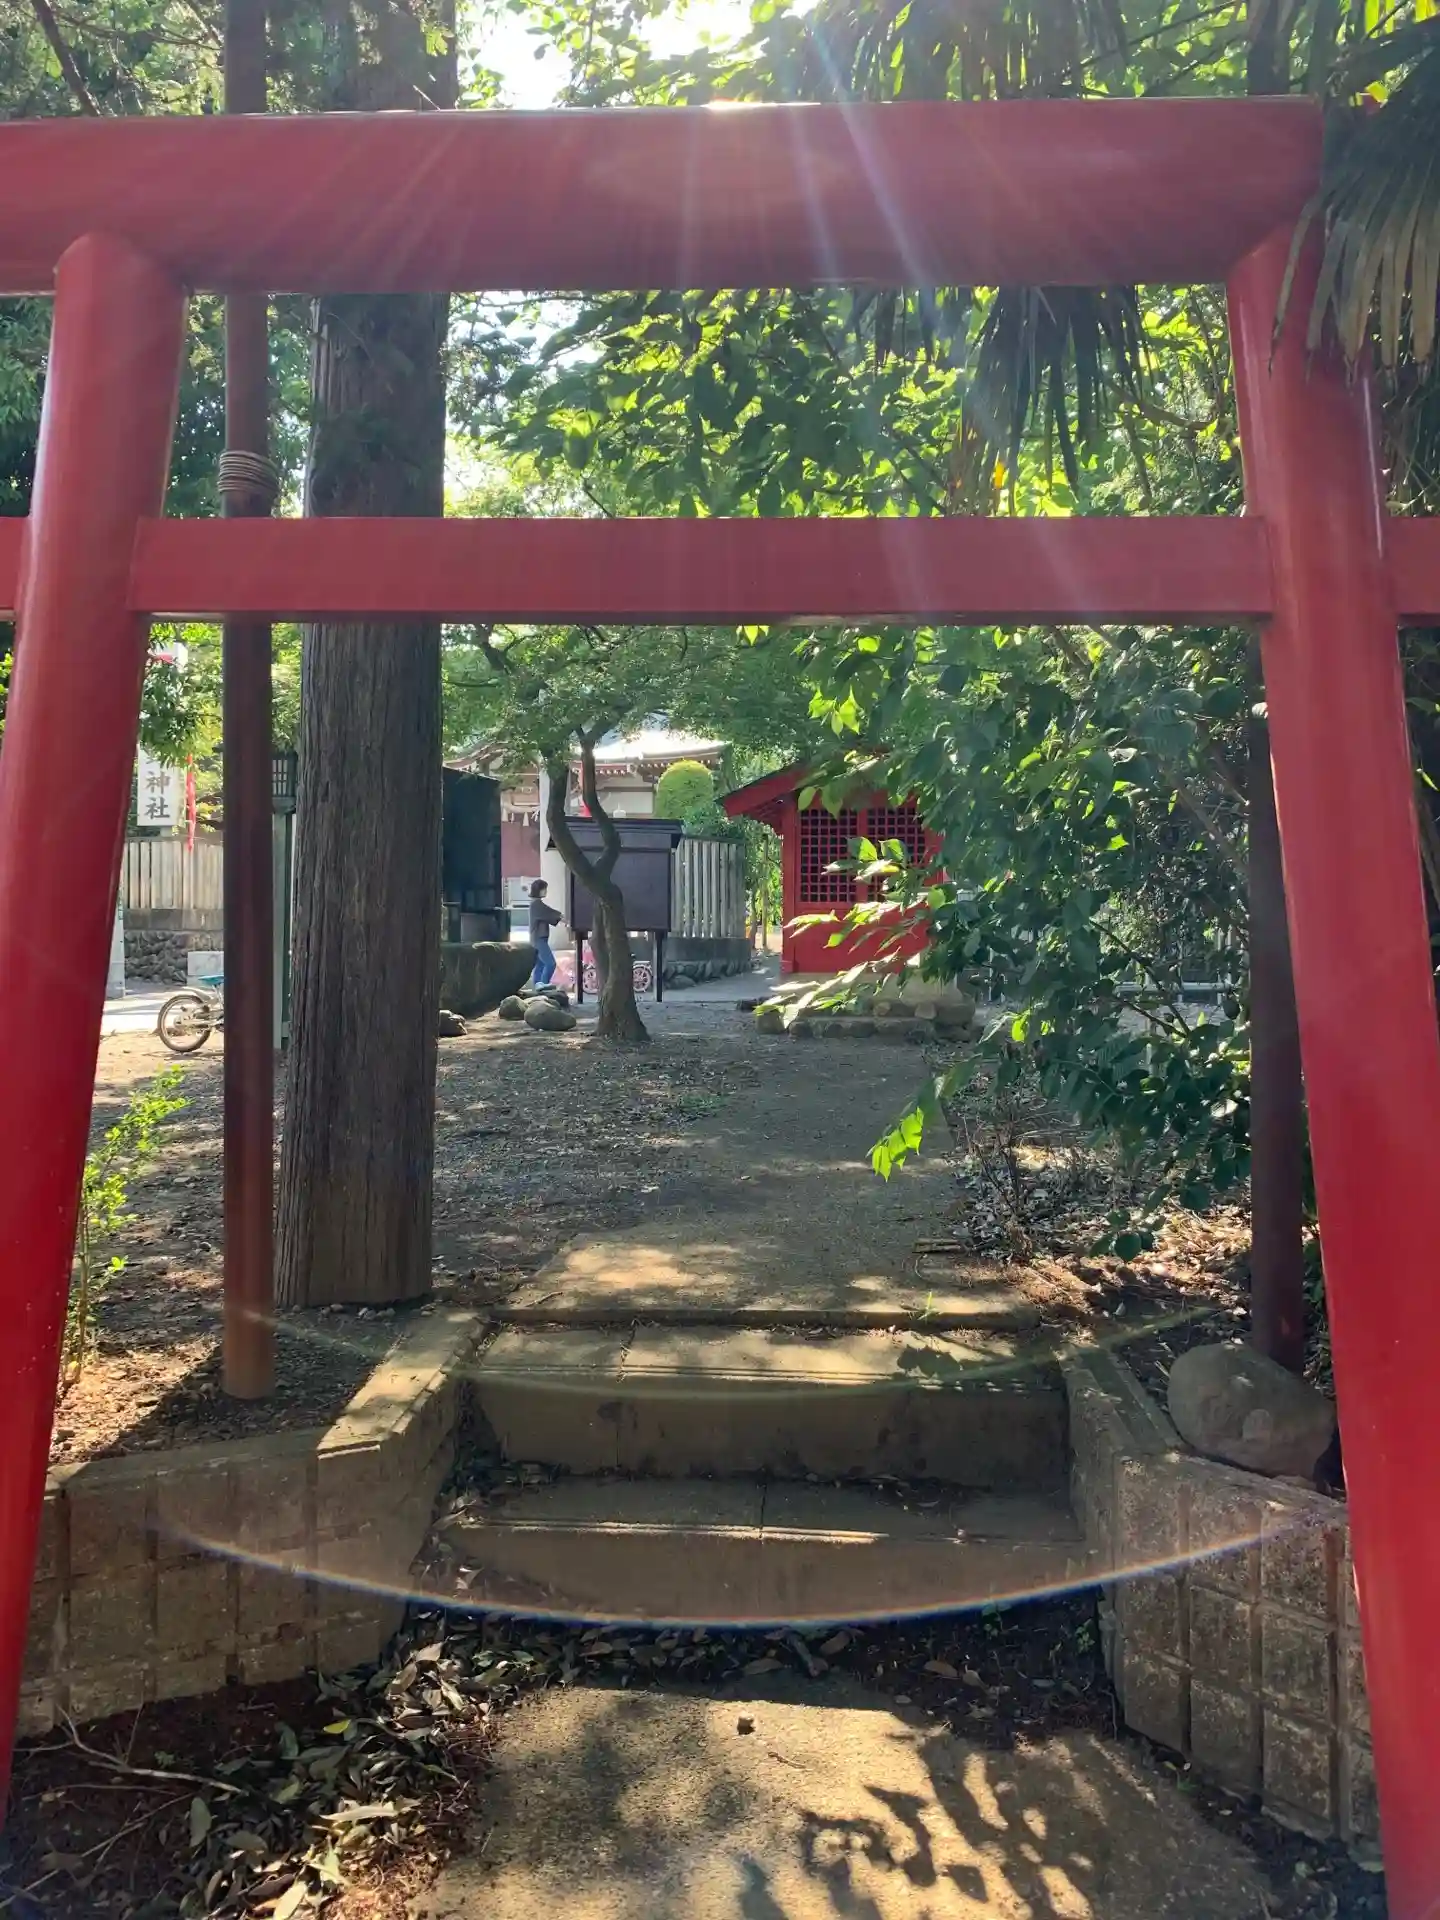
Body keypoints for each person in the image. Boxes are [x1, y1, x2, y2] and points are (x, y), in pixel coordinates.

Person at [528, 878, 563, 987]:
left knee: (540, 965)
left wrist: (559, 916)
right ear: (539, 890)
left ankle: (538, 986)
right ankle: (543, 984)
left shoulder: (536, 904)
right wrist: (562, 917)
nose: (546, 891)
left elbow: (548, 913)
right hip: (538, 939)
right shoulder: (536, 904)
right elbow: (549, 912)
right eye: (544, 889)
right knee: (550, 963)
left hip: (537, 939)